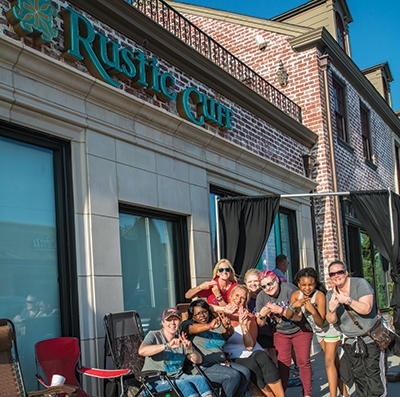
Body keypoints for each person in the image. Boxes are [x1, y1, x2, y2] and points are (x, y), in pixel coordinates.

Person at [326, 260, 387, 397]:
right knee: (359, 377)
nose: (336, 276)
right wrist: (331, 309)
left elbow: (367, 309)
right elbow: (331, 320)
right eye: (332, 274)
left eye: (339, 272)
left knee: (373, 375)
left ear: (346, 272)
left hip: (371, 338)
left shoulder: (360, 284)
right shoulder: (330, 295)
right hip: (350, 342)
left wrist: (348, 300)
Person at [286, 267, 348, 397]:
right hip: (319, 332)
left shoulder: (319, 296)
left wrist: (312, 310)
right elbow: (292, 317)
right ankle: (345, 393)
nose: (307, 288)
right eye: (304, 285)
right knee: (334, 363)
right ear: (298, 284)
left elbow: (322, 322)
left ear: (315, 284)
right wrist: (293, 306)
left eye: (311, 284)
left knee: (328, 361)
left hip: (330, 329)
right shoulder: (296, 295)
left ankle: (333, 395)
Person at [256, 270, 313, 397]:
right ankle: (282, 394)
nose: (268, 288)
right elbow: (260, 323)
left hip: (300, 329)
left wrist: (280, 310)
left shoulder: (289, 290)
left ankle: (307, 394)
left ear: (276, 280)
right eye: (264, 286)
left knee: (303, 361)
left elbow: (298, 317)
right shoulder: (261, 297)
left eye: (270, 283)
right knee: (283, 363)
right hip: (280, 331)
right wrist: (262, 314)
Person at [224, 285, 285, 397]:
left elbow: (250, 346)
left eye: (243, 298)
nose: (238, 300)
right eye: (237, 295)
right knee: (251, 365)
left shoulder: (249, 317)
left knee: (264, 358)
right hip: (234, 354)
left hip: (251, 349)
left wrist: (243, 326)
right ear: (231, 296)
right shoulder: (222, 315)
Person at [138, 307, 213, 397]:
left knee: (200, 379)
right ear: (163, 323)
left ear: (180, 322)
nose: (172, 323)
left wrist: (190, 349)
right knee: (183, 384)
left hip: (178, 377)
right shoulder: (154, 335)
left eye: (175, 320)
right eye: (169, 320)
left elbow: (198, 360)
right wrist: (167, 345)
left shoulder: (181, 338)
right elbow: (142, 351)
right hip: (155, 381)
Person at [182, 300, 251, 397]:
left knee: (245, 373)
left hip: (222, 364)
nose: (202, 316)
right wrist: (209, 326)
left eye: (204, 312)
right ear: (193, 317)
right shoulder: (188, 324)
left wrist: (228, 327)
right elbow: (191, 329)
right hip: (203, 367)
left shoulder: (217, 324)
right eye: (198, 314)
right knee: (233, 375)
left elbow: (226, 335)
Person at [244, 268, 277, 366]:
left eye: (255, 281)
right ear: (245, 283)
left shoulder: (267, 293)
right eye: (250, 281)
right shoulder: (245, 299)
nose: (253, 284)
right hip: (254, 333)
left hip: (270, 330)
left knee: (273, 354)